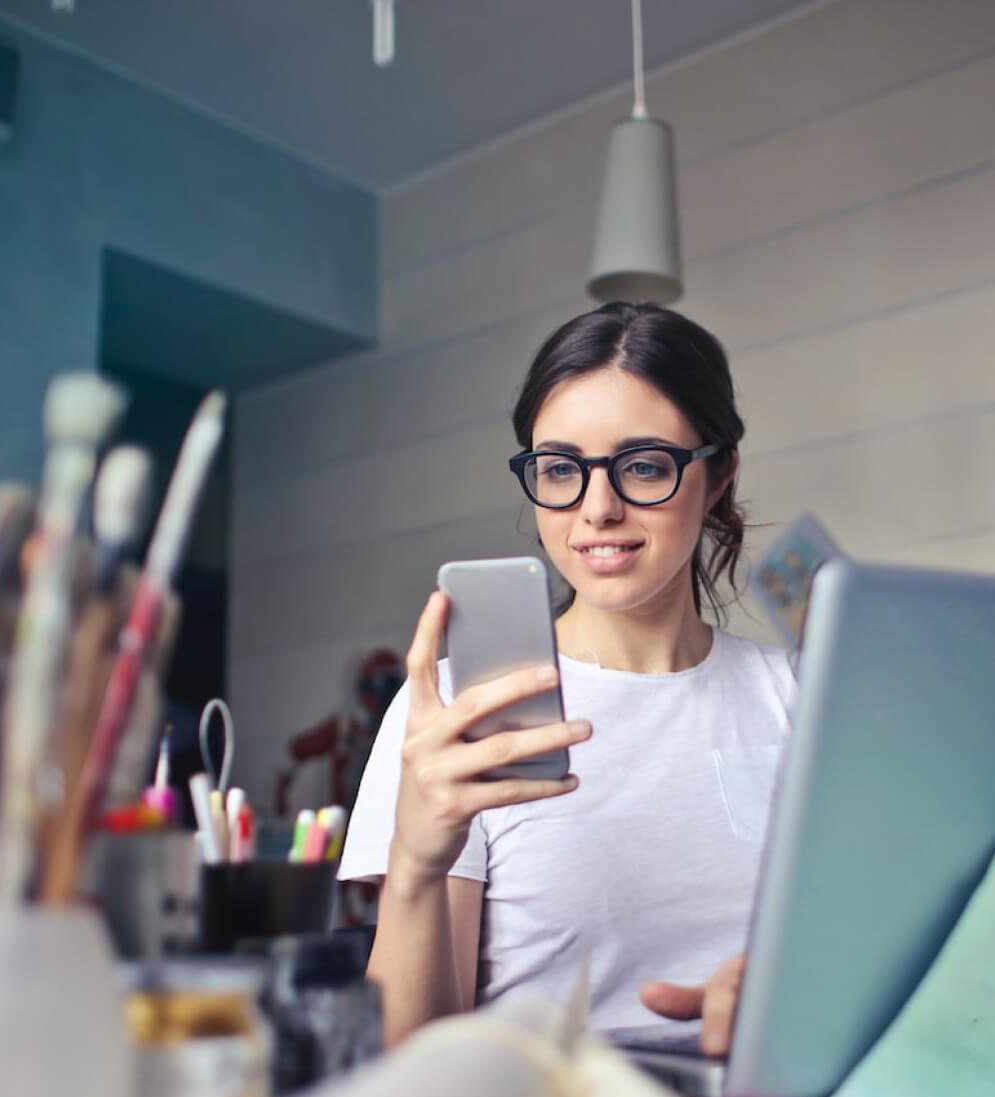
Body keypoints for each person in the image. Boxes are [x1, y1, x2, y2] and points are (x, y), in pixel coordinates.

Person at [339, 301, 797, 1051]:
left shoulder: (802, 698)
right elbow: (409, 1065)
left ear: (718, 475)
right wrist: (416, 862)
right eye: (560, 470)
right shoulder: (460, 711)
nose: (598, 508)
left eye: (644, 465)